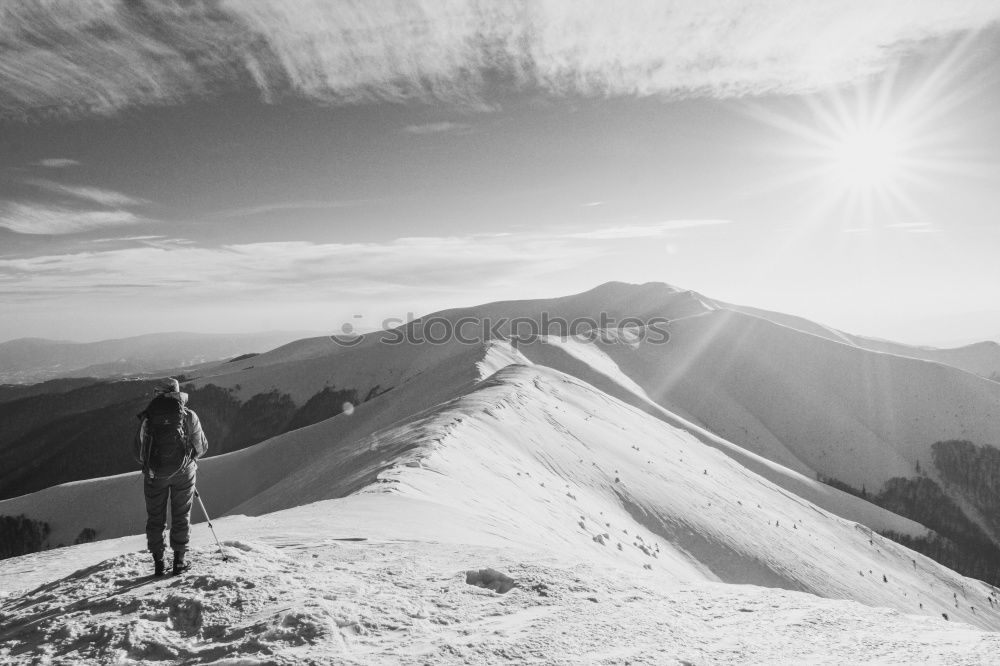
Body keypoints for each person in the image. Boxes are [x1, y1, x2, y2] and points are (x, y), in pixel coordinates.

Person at [134, 377, 208, 575]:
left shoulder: (149, 418)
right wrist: (188, 459)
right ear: (177, 393)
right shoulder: (188, 415)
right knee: (181, 514)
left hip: (154, 475)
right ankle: (180, 561)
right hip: (184, 473)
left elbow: (139, 454)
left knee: (156, 517)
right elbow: (202, 447)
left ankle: (159, 562)